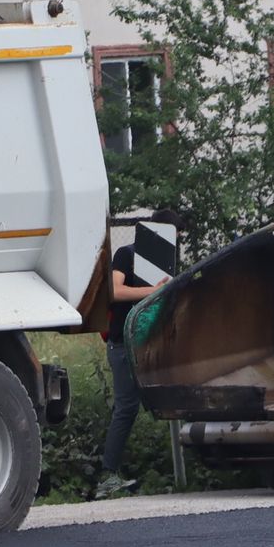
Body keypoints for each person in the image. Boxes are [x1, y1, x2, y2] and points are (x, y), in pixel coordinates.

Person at [96, 210, 182, 498]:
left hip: (149, 345)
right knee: (126, 408)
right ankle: (107, 477)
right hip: (122, 344)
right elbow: (114, 291)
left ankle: (182, 471)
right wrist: (152, 292)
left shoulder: (165, 265)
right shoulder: (126, 254)